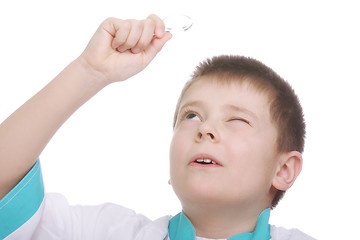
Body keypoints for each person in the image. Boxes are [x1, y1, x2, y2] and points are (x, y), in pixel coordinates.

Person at [0, 14, 315, 240]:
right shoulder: (108, 231)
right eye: (191, 116)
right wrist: (89, 72)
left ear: (284, 170)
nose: (205, 130)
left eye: (237, 120)